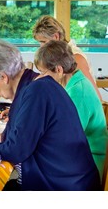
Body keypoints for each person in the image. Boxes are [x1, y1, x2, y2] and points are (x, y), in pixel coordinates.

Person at [0, 40, 101, 191]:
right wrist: (0, 138)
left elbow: (16, 152)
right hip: (59, 179)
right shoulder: (33, 85)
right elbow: (26, 138)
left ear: (3, 77)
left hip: (64, 189)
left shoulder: (36, 92)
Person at [34, 40, 107, 179]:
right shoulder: (74, 83)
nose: (41, 77)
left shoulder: (78, 92)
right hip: (81, 156)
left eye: (43, 72)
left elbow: (65, 138)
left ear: (59, 70)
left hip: (91, 163)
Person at [32, 15, 102, 101]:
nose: (41, 46)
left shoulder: (75, 58)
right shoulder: (59, 56)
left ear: (56, 37)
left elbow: (95, 96)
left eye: (43, 42)